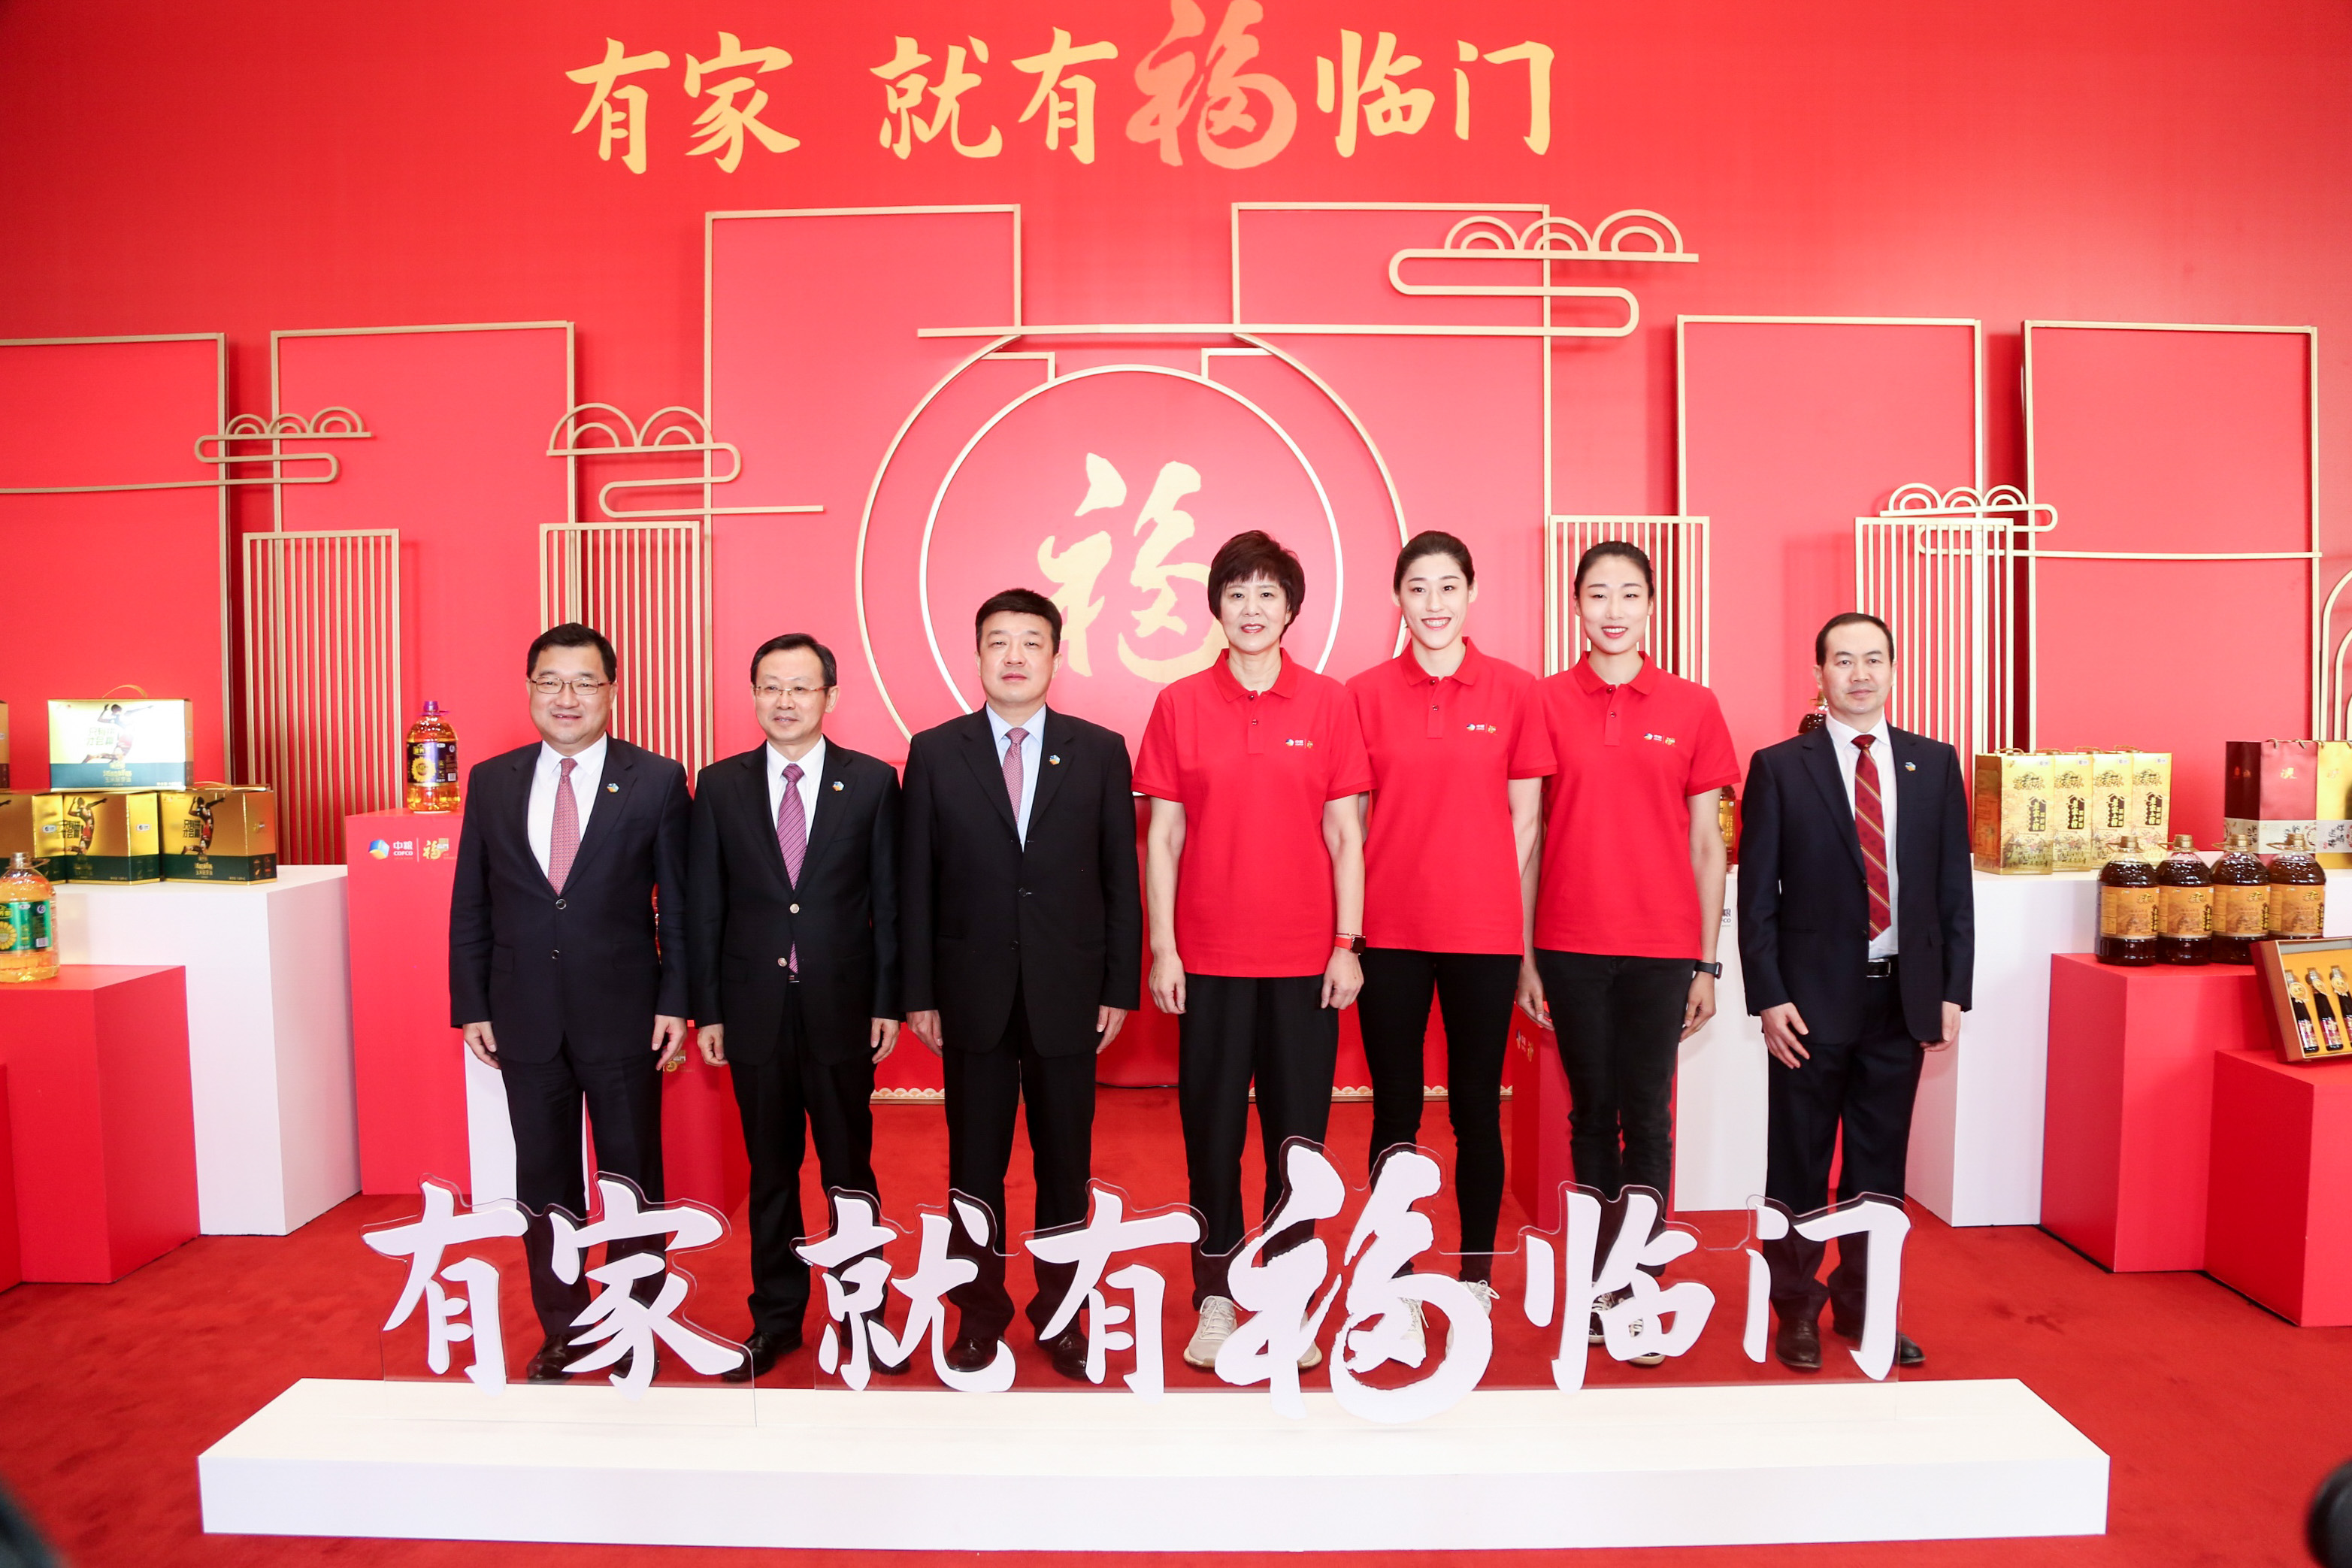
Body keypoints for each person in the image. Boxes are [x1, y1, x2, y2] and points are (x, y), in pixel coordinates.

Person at [1134, 530, 1373, 1373]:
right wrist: (1164, 948)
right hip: (1207, 961)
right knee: (1211, 1135)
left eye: (1268, 593)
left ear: (1292, 608)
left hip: (1306, 963)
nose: (1251, 608)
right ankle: (1216, 1296)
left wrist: (1347, 944)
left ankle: (1289, 1294)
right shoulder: (1179, 704)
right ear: (1216, 606)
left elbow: (1346, 836)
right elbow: (1162, 838)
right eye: (1236, 593)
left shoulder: (1329, 702)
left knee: (1297, 1141)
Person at [899, 589, 1142, 1382]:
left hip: (1068, 991)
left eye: (1030, 642)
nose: (1013, 656)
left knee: (1065, 1163)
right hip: (969, 993)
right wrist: (919, 990)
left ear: (1054, 656)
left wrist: (1118, 984)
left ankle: (1061, 1313)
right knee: (974, 1166)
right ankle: (979, 1315)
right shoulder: (936, 752)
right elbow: (916, 883)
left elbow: (1120, 875)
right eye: (997, 641)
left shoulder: (1098, 750)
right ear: (977, 656)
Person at [447, 622, 691, 1382]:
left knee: (631, 1176)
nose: (567, 697)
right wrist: (472, 1001)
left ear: (611, 691)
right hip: (523, 1014)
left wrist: (676, 1000)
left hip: (625, 1013)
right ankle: (566, 1328)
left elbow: (679, 907)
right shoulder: (492, 780)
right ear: (529, 689)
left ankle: (634, 1320)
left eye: (585, 682)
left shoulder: (657, 779)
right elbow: (472, 901)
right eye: (551, 681)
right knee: (544, 1182)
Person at [1523, 542, 1739, 1366]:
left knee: (1648, 1116)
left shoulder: (1692, 705)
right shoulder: (1545, 701)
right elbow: (1530, 834)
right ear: (1575, 605)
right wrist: (1525, 954)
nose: (1613, 610)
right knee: (1590, 1115)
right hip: (1569, 942)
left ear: (1651, 605)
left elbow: (1708, 845)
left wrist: (1706, 962)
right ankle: (1598, 1282)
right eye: (1597, 594)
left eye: (1629, 594)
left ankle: (1638, 1284)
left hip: (1660, 948)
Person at [1737, 611, 1971, 1373]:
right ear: (1819, 675)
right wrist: (1768, 996)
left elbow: (1952, 890)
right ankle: (1795, 1307)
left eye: (1873, 659)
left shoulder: (1933, 764)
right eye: (1843, 660)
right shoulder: (1780, 766)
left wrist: (1952, 989)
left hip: (1901, 999)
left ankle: (1864, 1304)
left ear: (1893, 670)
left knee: (1879, 1167)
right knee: (1798, 1164)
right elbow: (1757, 897)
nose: (1860, 674)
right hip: (1806, 1006)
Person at [1347, 532, 1551, 1330]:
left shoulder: (1515, 691)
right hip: (1390, 931)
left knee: (1474, 1108)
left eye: (1447, 587)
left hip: (1483, 933)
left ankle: (1475, 1275)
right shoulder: (1363, 694)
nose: (1433, 604)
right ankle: (1394, 1278)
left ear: (1471, 593)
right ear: (1397, 598)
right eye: (1417, 588)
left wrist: (1487, 892)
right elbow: (1351, 821)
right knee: (1394, 1110)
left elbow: (1526, 818)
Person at [688, 634, 902, 1383]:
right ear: (753, 695)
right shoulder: (719, 786)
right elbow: (704, 906)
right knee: (771, 1173)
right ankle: (775, 1318)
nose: (785, 701)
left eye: (800, 687)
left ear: (829, 697)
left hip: (842, 1007)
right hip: (753, 1011)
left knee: (849, 1169)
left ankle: (862, 1312)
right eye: (770, 687)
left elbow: (889, 902)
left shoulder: (871, 782)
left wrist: (888, 1000)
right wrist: (709, 1011)